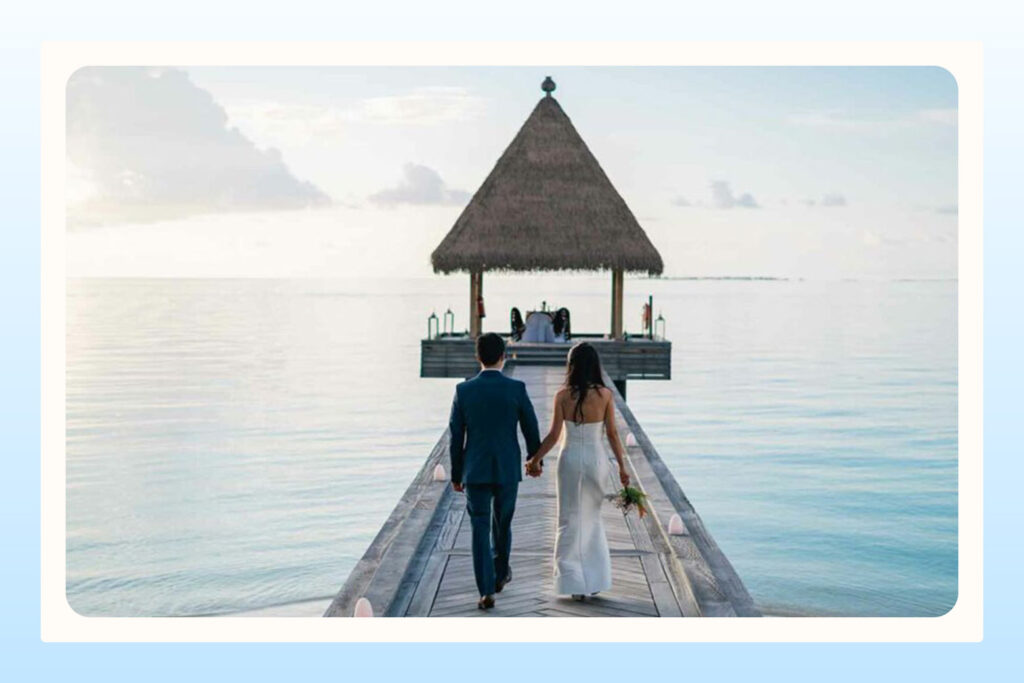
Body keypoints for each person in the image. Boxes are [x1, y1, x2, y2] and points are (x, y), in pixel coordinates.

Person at [525, 342, 630, 601]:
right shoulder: (605, 395)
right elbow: (613, 435)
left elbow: (553, 435)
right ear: (595, 365)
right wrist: (623, 467)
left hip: (570, 460)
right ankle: (594, 580)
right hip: (596, 460)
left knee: (569, 519)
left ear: (571, 366)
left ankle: (572, 582)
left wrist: (534, 459)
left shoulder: (562, 395)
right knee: (592, 518)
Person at [448, 333, 541, 610]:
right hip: (507, 468)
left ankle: (486, 591)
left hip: (474, 470)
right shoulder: (516, 389)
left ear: (478, 357)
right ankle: (500, 573)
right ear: (503, 356)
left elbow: (456, 437)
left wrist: (455, 474)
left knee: (479, 527)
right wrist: (534, 458)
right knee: (503, 523)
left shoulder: (463, 391)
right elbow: (530, 427)